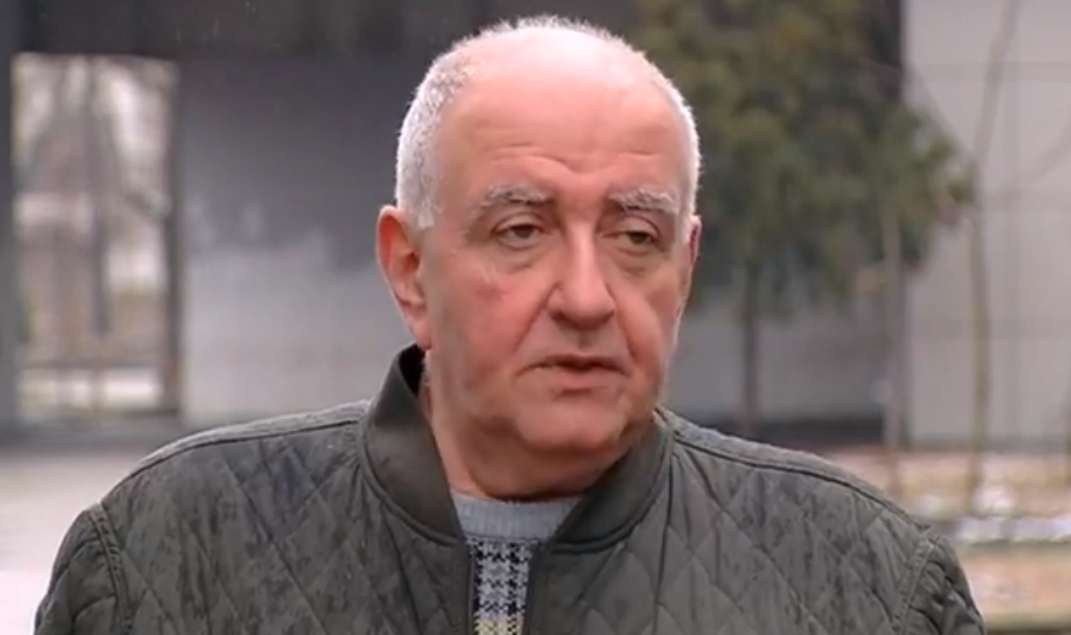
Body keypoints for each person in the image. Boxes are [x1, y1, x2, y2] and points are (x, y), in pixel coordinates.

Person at [35, 15, 985, 635]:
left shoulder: (866, 586)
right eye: (521, 231)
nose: (586, 296)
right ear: (410, 268)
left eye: (635, 236)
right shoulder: (168, 561)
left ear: (684, 268)